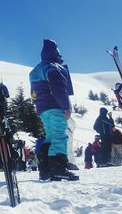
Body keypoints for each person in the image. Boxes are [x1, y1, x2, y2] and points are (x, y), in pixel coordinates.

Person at [29, 39, 78, 181]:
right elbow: (59, 90)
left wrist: (38, 104)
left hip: (43, 109)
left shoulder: (35, 71)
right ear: (56, 53)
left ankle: (45, 170)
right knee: (59, 136)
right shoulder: (54, 68)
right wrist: (66, 107)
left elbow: (33, 94)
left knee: (50, 137)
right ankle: (58, 169)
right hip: (55, 107)